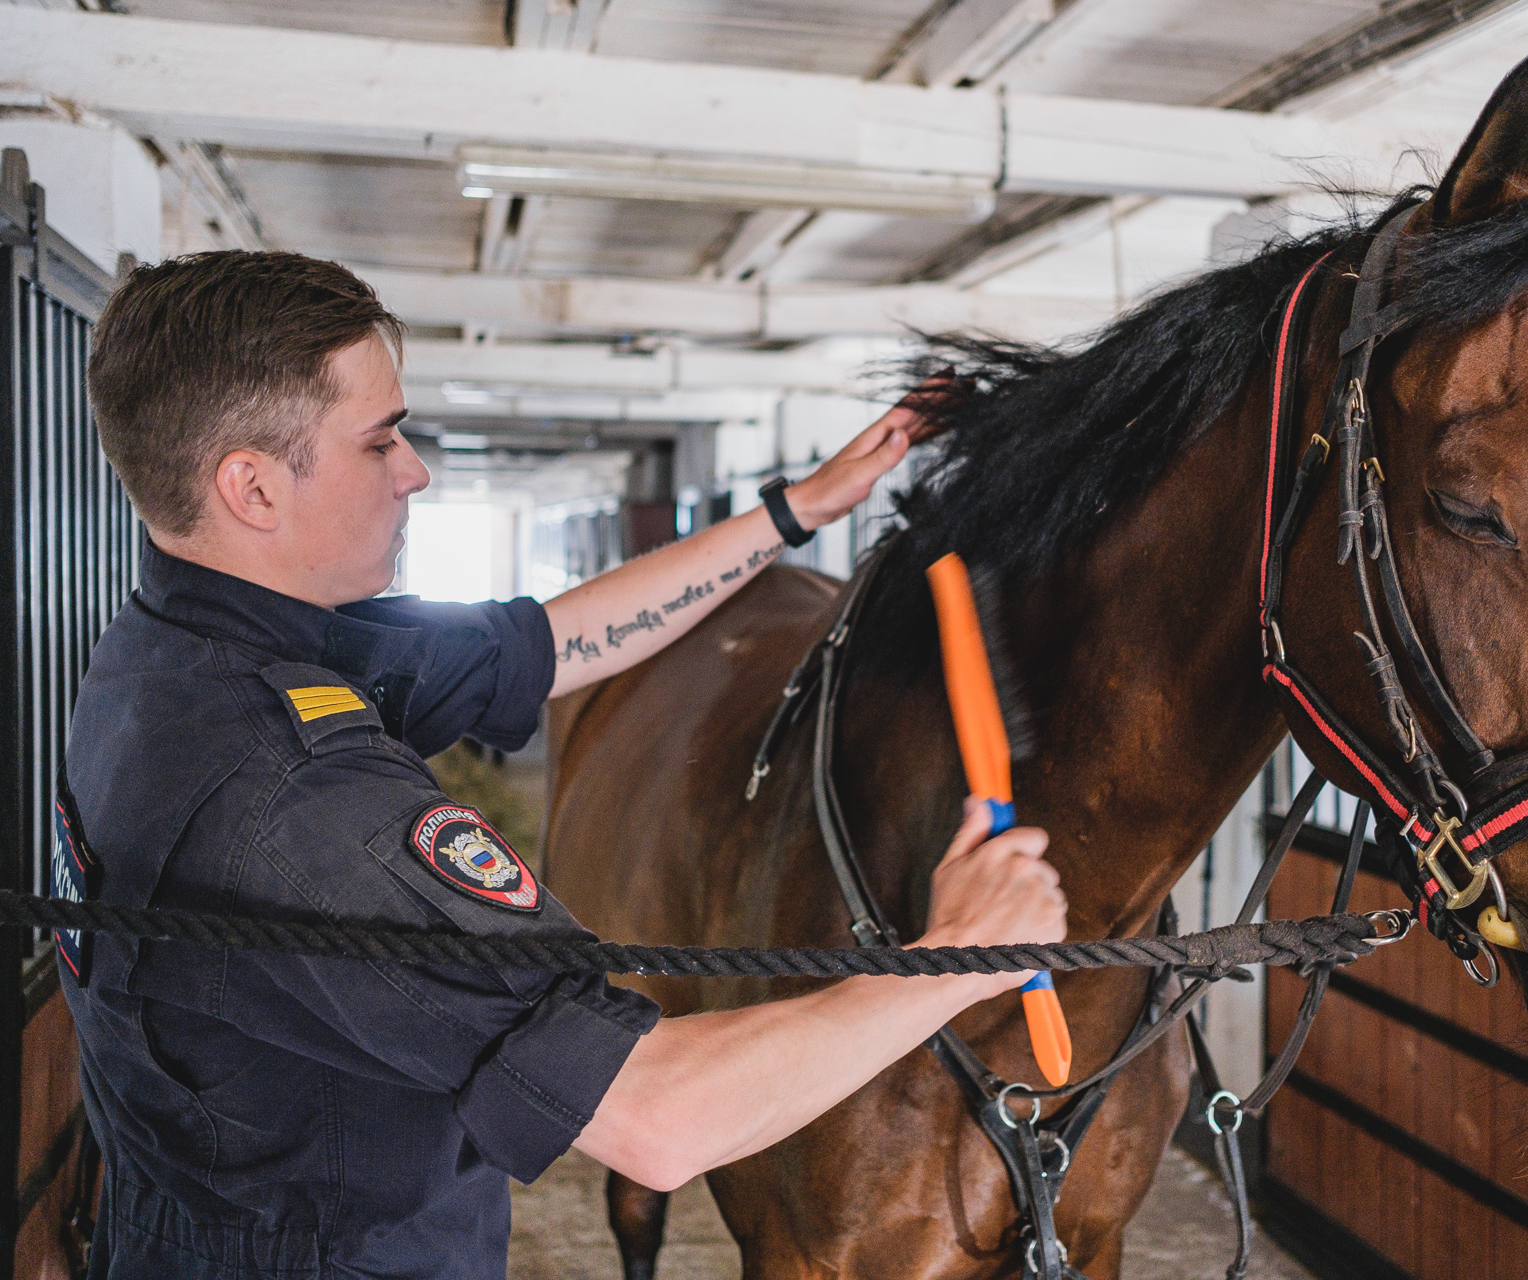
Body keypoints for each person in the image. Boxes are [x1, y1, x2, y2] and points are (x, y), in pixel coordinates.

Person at [61, 250, 1066, 1279]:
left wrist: (796, 511)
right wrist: (965, 950)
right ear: (253, 486)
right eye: (379, 440)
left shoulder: (183, 653)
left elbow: (555, 641)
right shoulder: (298, 801)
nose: (413, 470)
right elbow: (656, 1115)